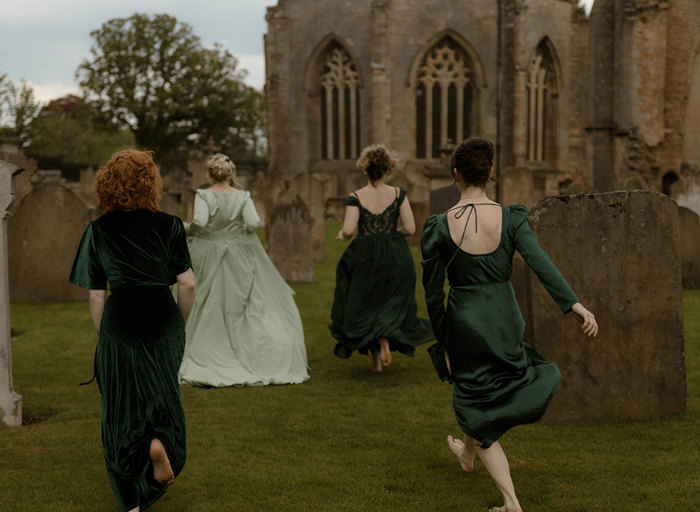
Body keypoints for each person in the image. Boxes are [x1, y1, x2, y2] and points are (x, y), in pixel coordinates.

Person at [420, 137, 598, 512]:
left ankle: (511, 503)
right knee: (478, 395)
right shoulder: (512, 216)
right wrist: (576, 305)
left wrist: (445, 342)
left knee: (473, 396)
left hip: (466, 323)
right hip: (504, 319)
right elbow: (540, 262)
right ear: (490, 174)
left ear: (455, 174)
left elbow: (433, 295)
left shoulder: (438, 225)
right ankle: (465, 455)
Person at [69, 149, 195, 512]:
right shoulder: (170, 225)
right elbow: (187, 284)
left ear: (108, 183)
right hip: (162, 319)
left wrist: (105, 334)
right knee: (162, 397)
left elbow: (97, 296)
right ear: (150, 183)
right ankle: (159, 443)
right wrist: (178, 326)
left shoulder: (97, 231)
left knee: (121, 410)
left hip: (121, 320)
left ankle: (132, 502)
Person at [178, 153, 308, 387]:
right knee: (243, 303)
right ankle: (251, 351)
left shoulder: (204, 195)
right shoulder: (242, 196)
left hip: (208, 252)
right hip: (238, 254)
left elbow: (200, 223)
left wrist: (186, 228)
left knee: (207, 301)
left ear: (208, 174)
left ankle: (203, 347)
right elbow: (252, 223)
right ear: (232, 174)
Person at [330, 144, 433, 372]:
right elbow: (411, 227)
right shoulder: (398, 194)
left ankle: (377, 359)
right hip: (396, 253)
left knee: (368, 304)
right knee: (389, 302)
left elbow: (348, 230)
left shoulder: (355, 197)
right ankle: (381, 348)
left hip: (365, 255)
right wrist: (394, 233)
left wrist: (341, 234)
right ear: (387, 169)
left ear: (365, 170)